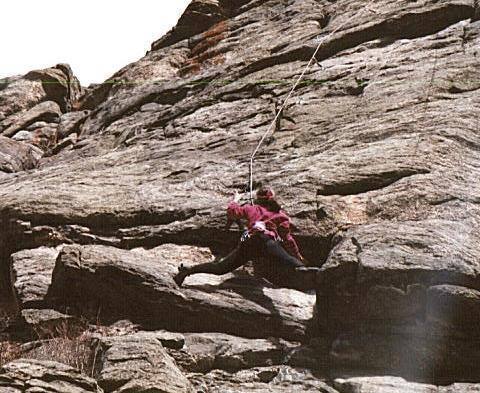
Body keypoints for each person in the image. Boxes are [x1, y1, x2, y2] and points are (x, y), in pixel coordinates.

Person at [173, 186, 317, 288]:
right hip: (266, 242)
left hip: (248, 241)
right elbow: (287, 239)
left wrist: (235, 200)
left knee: (220, 267)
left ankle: (189, 271)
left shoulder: (251, 208)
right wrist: (298, 256)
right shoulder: (281, 216)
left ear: (258, 199)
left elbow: (232, 212)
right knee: (287, 260)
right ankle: (304, 269)